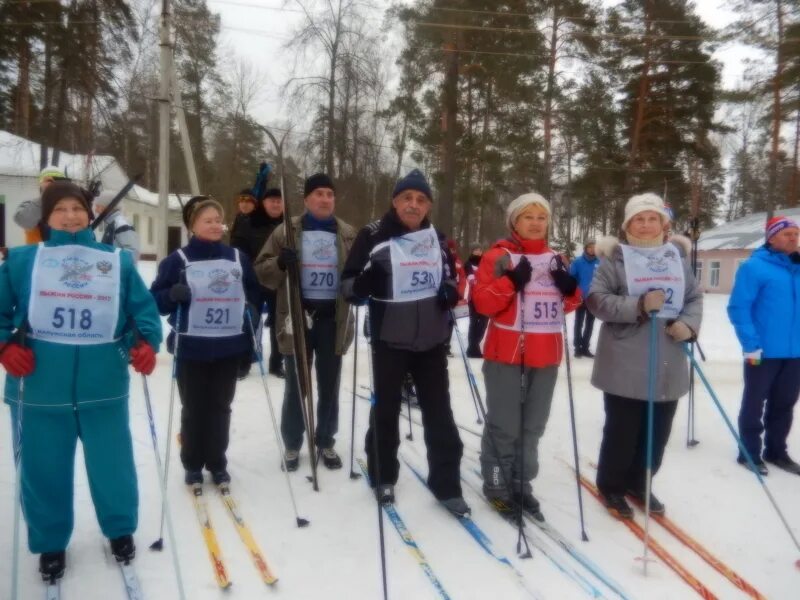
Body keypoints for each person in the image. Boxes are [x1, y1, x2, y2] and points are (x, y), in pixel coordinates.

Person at [0, 181, 162, 580]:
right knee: (43, 469)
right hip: (39, 388)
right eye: (60, 210)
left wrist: (145, 344)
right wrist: (5, 347)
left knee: (113, 466)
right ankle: (50, 541)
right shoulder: (22, 261)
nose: (70, 216)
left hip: (102, 386)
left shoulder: (116, 261)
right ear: (47, 217)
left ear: (90, 214)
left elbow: (141, 313)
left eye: (78, 208)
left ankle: (120, 528)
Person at [341, 169, 470, 517]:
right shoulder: (372, 235)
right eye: (407, 198)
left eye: (421, 199)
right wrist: (367, 280)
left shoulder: (436, 238)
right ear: (395, 201)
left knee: (439, 414)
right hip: (390, 339)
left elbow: (451, 277)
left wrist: (450, 290)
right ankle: (384, 475)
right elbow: (349, 286)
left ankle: (447, 485)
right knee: (385, 410)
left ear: (428, 205)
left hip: (431, 340)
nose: (414, 205)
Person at [588, 193, 702, 518]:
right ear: (627, 225)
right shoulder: (616, 259)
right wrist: (636, 306)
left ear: (664, 225)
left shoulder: (676, 258)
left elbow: (694, 297)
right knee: (623, 430)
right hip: (626, 357)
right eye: (639, 218)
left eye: (653, 218)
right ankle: (611, 485)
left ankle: (640, 482)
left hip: (669, 354)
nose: (647, 224)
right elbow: (596, 300)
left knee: (658, 432)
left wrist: (689, 325)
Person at [472, 193, 580, 519]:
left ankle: (521, 483)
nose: (535, 223)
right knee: (505, 424)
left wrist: (569, 288)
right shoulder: (497, 256)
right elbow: (483, 304)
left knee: (533, 426)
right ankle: (496, 482)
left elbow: (571, 304)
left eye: (541, 217)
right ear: (515, 221)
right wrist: (510, 282)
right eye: (528, 216)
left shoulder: (556, 258)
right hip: (506, 353)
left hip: (545, 354)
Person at [150, 196, 262, 486]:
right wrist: (171, 294)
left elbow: (253, 293)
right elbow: (156, 302)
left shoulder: (237, 258)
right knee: (194, 407)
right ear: (192, 226)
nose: (215, 225)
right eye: (207, 220)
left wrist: (251, 308)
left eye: (218, 220)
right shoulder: (178, 261)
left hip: (228, 345)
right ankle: (192, 462)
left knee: (221, 407)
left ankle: (216, 461)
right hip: (192, 347)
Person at [255, 174, 356, 471]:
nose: (325, 199)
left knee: (329, 383)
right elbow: (261, 270)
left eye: (329, 194)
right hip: (298, 318)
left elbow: (360, 270)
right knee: (296, 385)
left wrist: (359, 285)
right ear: (307, 199)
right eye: (319, 194)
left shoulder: (348, 233)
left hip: (333, 320)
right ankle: (292, 444)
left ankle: (325, 440)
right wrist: (281, 263)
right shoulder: (286, 231)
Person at [728, 216, 800, 476]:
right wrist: (750, 344)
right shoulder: (754, 267)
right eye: (787, 234)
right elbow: (739, 307)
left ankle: (776, 451)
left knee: (785, 403)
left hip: (795, 353)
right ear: (771, 237)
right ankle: (748, 451)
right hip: (763, 351)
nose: (793, 238)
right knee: (754, 402)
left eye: (796, 234)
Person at [231, 188, 287, 378]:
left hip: (278, 281)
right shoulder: (250, 222)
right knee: (249, 320)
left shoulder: (289, 225)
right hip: (252, 281)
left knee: (280, 322)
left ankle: (276, 363)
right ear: (263, 203)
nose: (276, 204)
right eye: (272, 201)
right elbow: (237, 250)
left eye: (279, 201)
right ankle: (243, 362)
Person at [14, 165, 69, 244]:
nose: (54, 186)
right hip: (38, 254)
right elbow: (23, 220)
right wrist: (46, 196)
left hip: (67, 255)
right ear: (41, 185)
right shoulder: (32, 205)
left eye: (58, 182)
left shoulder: (71, 207)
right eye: (50, 182)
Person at [569, 239, 599, 357]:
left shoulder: (600, 262)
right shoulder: (577, 262)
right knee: (579, 323)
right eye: (590, 247)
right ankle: (577, 347)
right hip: (580, 298)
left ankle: (585, 347)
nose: (592, 249)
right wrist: (575, 292)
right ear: (585, 248)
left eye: (594, 247)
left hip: (593, 297)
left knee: (590, 324)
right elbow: (572, 278)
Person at [93, 190, 140, 261]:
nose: (96, 210)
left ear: (106, 207)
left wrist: (114, 264)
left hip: (119, 271)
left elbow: (132, 253)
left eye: (98, 206)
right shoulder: (111, 224)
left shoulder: (121, 224)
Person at [464, 245, 488, 358]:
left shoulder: (485, 263)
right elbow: (471, 279)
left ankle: (474, 346)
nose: (478, 252)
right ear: (472, 251)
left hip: (485, 297)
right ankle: (473, 348)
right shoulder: (468, 263)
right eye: (476, 250)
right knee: (473, 323)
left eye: (480, 250)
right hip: (473, 297)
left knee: (483, 323)